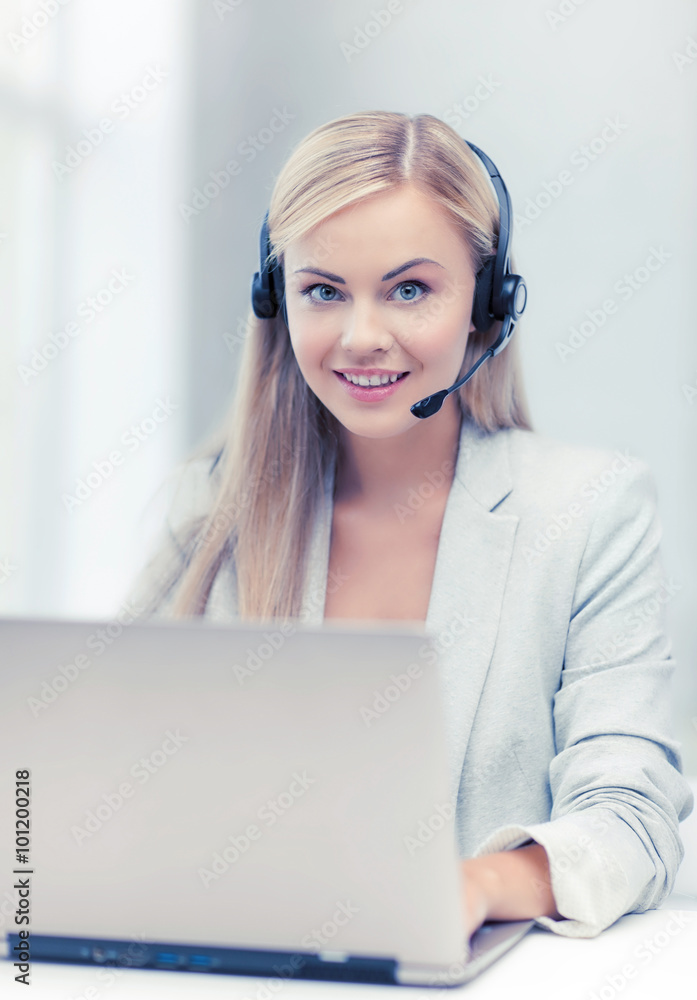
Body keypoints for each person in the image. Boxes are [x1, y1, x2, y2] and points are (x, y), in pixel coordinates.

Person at [127, 110, 693, 943]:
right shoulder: (209, 514)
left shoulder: (590, 512)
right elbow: (98, 786)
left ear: (486, 305)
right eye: (323, 290)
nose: (362, 338)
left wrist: (469, 888)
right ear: (275, 302)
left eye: (409, 289)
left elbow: (632, 815)